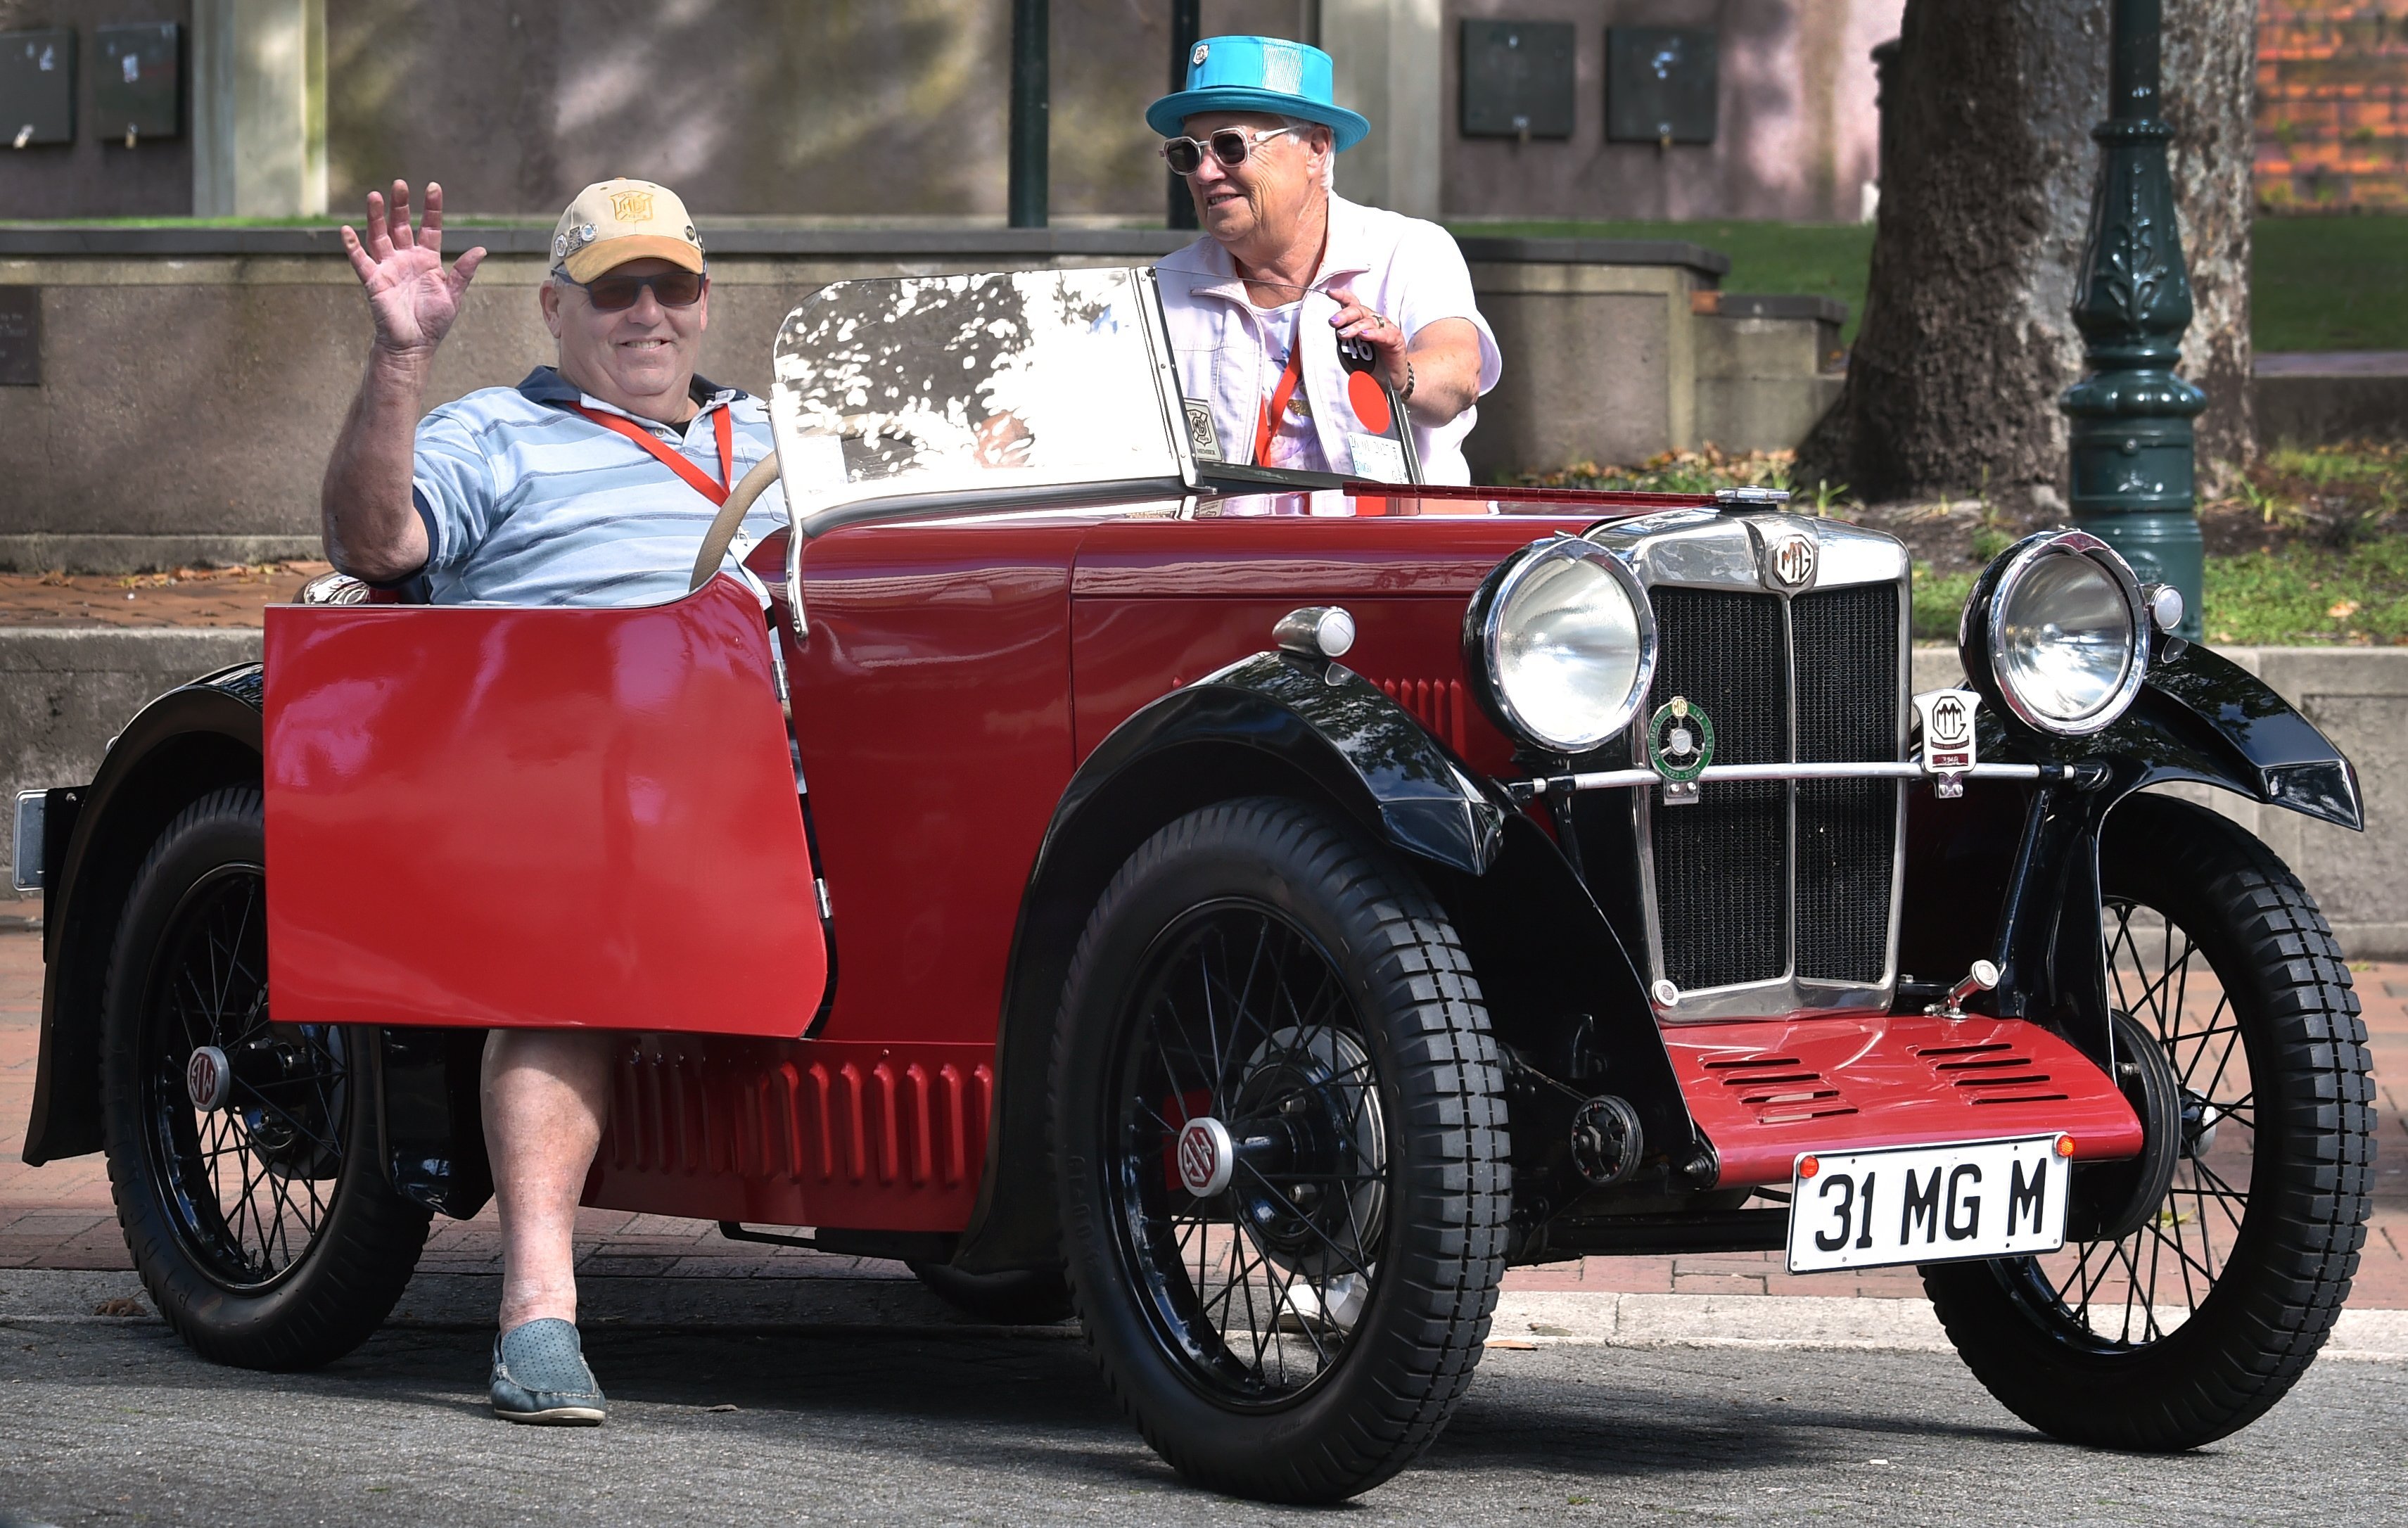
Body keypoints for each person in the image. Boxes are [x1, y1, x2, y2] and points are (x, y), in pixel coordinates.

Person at [319, 175, 789, 1426]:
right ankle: (538, 1306)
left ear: (704, 301)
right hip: (584, 777)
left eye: (670, 286)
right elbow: (375, 546)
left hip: (805, 757)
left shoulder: (786, 429)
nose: (646, 313)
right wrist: (400, 358)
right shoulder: (493, 432)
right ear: (553, 308)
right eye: (613, 289)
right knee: (579, 924)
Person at [1150, 35, 1501, 486]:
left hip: (1394, 550)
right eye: (1188, 152)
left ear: (1315, 148)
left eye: (1230, 146)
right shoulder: (1161, 289)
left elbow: (1459, 376)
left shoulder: (1409, 250)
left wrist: (1401, 375)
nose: (1204, 171)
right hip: (1227, 554)